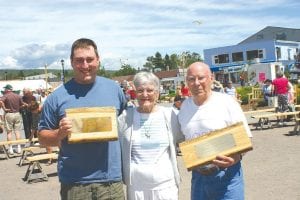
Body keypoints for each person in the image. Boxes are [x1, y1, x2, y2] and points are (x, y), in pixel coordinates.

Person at [38, 38, 127, 200]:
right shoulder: (57, 97)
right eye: (79, 61)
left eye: (90, 60)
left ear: (98, 60)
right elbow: (42, 139)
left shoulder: (114, 90)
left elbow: (128, 126)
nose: (85, 66)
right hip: (75, 183)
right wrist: (59, 133)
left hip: (111, 180)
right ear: (71, 63)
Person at [178, 62, 252, 200]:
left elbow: (246, 138)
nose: (196, 83)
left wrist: (236, 157)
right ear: (186, 82)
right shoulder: (184, 108)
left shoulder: (227, 102)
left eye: (201, 78)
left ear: (211, 78)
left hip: (228, 175)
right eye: (191, 79)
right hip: (199, 177)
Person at [118, 71, 180, 200]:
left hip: (165, 185)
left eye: (150, 90)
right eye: (140, 91)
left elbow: (188, 135)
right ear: (135, 93)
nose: (145, 95)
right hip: (137, 187)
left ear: (157, 93)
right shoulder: (125, 117)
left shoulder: (170, 115)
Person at [0, 84, 25, 155]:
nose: (4, 90)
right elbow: (22, 104)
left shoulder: (6, 95)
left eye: (5, 89)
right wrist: (18, 108)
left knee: (9, 132)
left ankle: (10, 149)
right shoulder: (17, 95)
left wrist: (4, 108)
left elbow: (0, 101)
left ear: (7, 89)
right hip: (17, 114)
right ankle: (19, 148)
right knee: (17, 131)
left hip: (9, 114)